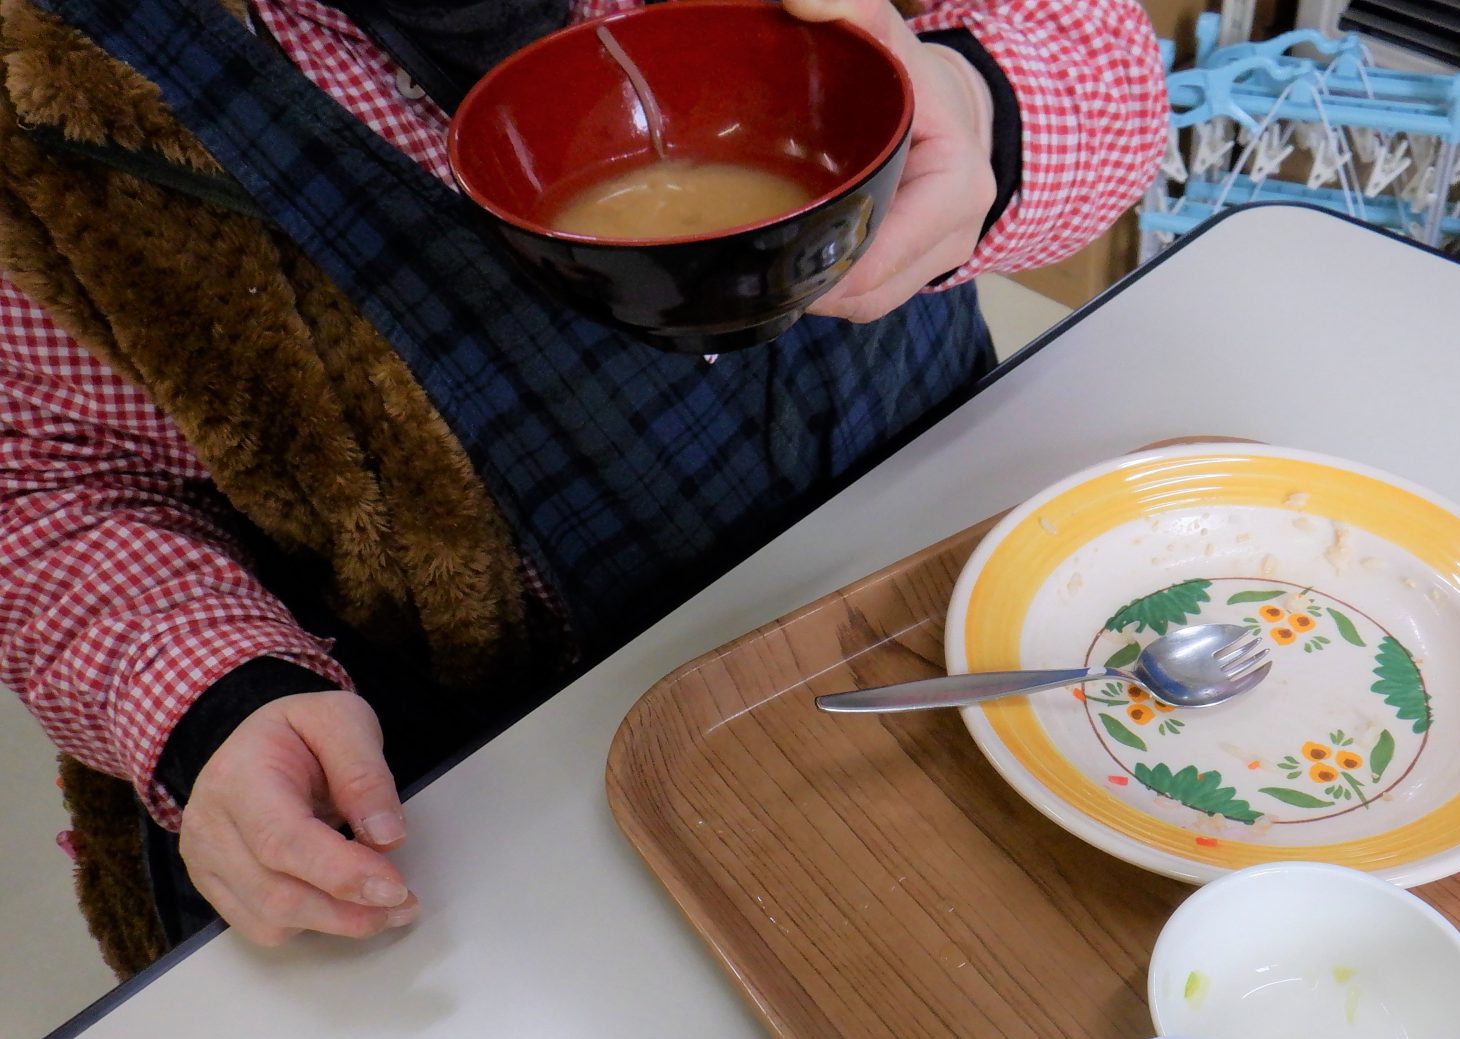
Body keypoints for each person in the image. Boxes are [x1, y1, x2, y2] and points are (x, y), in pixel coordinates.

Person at [0, 0, 1165, 974]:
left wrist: (977, 105)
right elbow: (46, 481)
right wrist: (214, 696)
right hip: (533, 785)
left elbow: (1096, 49)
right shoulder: (45, 102)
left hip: (962, 570)